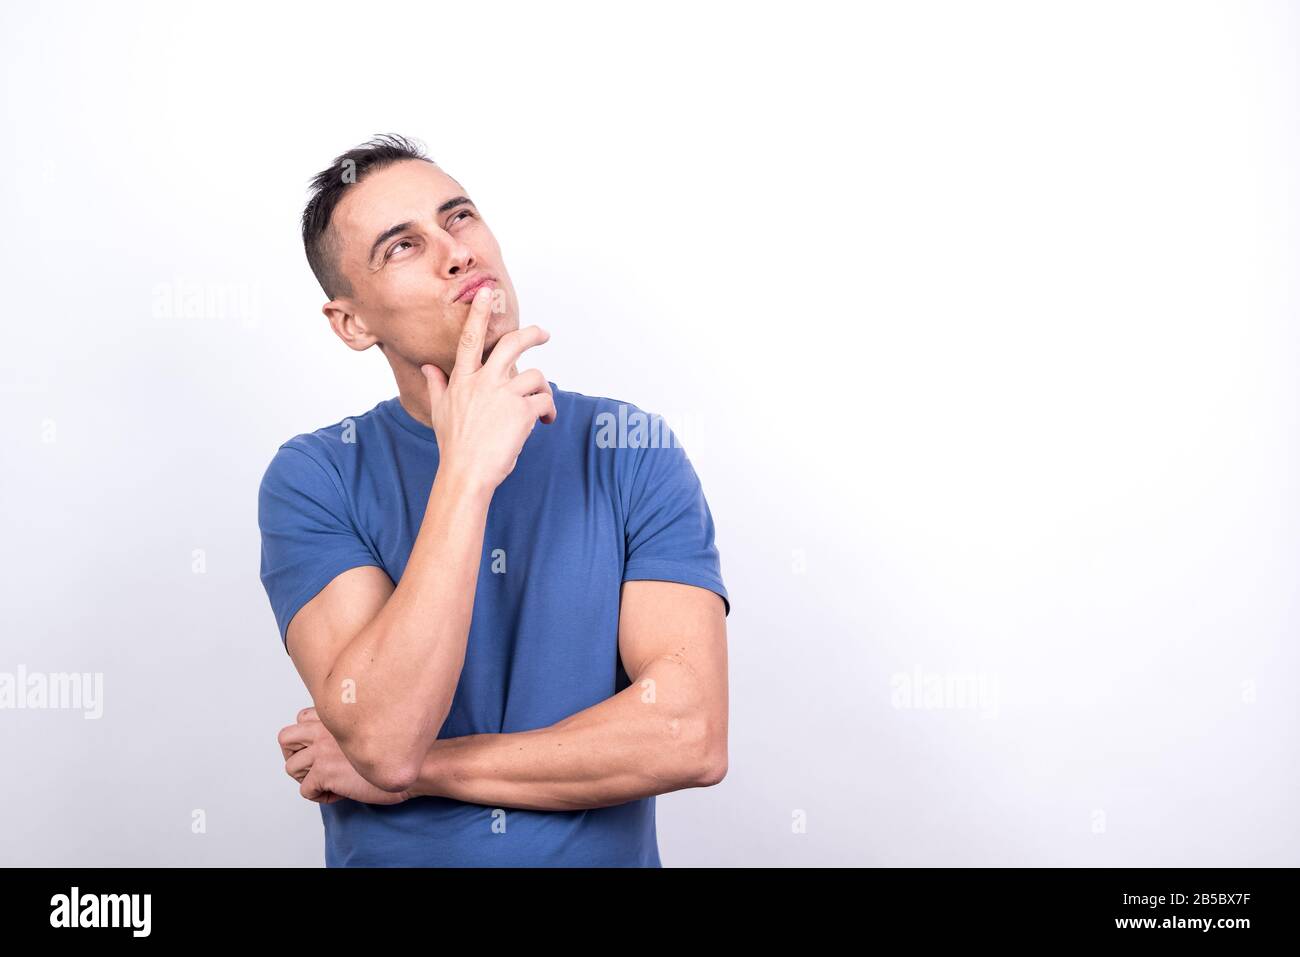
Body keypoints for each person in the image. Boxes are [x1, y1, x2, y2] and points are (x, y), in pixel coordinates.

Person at [259, 135, 731, 866]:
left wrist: (425, 770)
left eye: (460, 216)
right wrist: (467, 472)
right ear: (352, 323)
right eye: (402, 246)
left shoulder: (629, 447)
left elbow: (688, 734)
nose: (456, 251)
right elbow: (384, 733)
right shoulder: (315, 477)